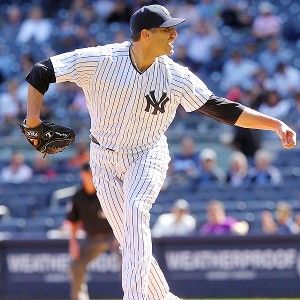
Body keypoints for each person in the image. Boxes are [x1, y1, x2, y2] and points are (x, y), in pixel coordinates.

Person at [23, 4, 296, 300]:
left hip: (147, 153)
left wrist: (274, 124)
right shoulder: (100, 59)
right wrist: (33, 122)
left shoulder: (176, 76)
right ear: (146, 35)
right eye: (168, 29)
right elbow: (41, 71)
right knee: (130, 239)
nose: (176, 34)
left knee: (136, 212)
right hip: (103, 158)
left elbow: (221, 108)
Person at [67, 163, 116, 300]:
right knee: (75, 263)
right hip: (91, 238)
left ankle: (135, 295)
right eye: (89, 174)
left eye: (93, 173)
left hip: (113, 236)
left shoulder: (106, 191)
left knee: (127, 258)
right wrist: (73, 242)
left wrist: (121, 236)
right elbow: (73, 220)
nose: (92, 176)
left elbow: (122, 213)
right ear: (83, 175)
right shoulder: (78, 196)